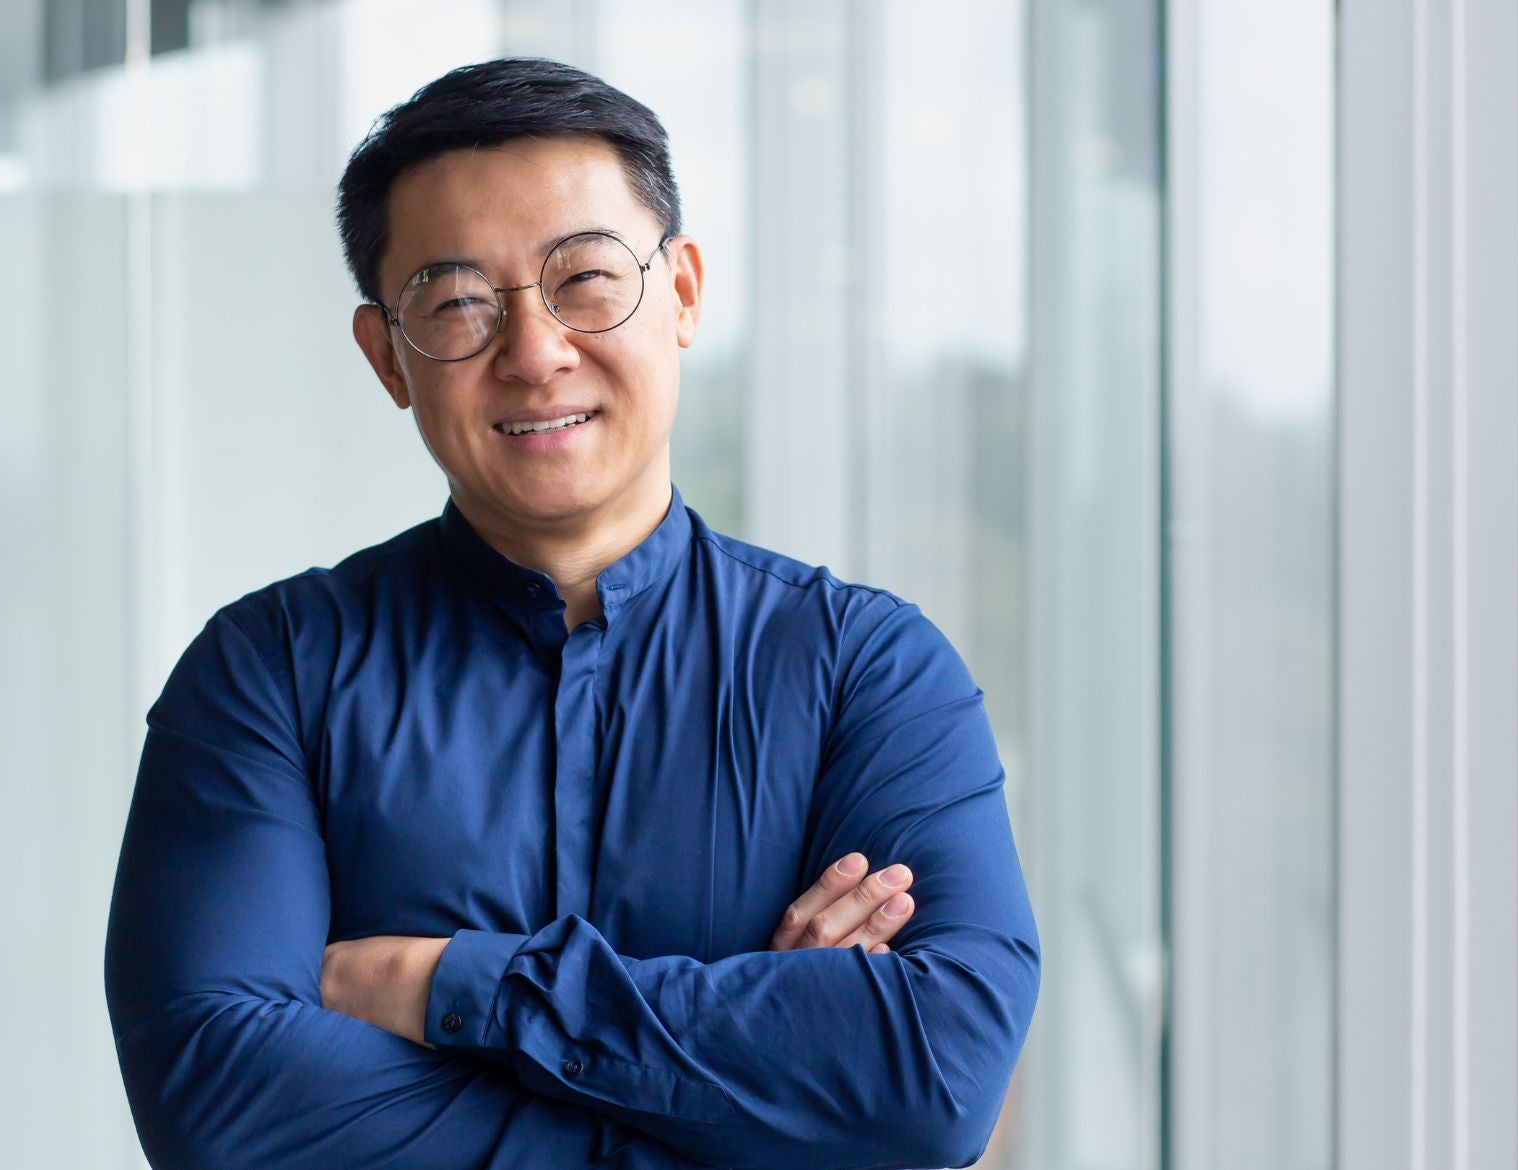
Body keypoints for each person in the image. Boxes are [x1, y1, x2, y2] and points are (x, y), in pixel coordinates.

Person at [103, 56, 1039, 1170]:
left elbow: (938, 1080)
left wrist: (446, 984)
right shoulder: (269, 674)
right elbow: (220, 1110)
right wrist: (761, 1086)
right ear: (387, 358)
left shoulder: (865, 668)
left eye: (586, 280)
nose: (536, 353)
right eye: (458, 303)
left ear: (682, 292)